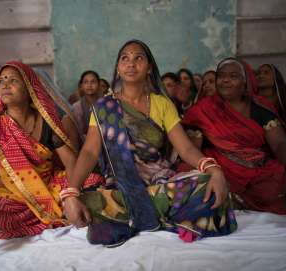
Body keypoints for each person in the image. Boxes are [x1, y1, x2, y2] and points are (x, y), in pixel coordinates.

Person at [63, 40, 237, 247]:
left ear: (149, 68)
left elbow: (186, 148)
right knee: (87, 201)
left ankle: (132, 215)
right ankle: (166, 213)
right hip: (122, 185)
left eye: (138, 58)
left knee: (210, 184)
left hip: (160, 181)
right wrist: (72, 192)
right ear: (118, 69)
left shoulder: (162, 104)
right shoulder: (104, 107)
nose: (131, 63)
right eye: (125, 58)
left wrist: (213, 168)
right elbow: (90, 152)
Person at [0, 61, 102, 246]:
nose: (5, 85)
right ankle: (57, 212)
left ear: (30, 88)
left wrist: (71, 194)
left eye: (13, 80)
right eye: (1, 80)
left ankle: (62, 208)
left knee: (93, 180)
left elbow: (70, 163)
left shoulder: (45, 121)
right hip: (11, 193)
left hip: (48, 186)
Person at [182, 58, 286, 215]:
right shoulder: (202, 111)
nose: (225, 80)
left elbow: (280, 144)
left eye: (233, 76)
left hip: (261, 173)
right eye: (221, 76)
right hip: (224, 172)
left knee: (285, 201)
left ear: (246, 82)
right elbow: (191, 149)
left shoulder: (260, 108)